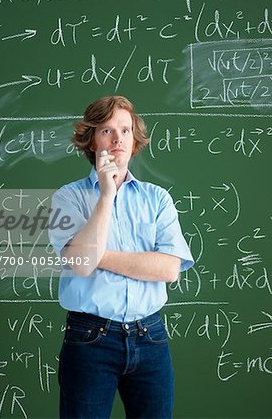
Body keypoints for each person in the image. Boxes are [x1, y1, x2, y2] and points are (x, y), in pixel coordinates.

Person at [49, 95, 194, 419]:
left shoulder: (157, 199)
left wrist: (97, 254)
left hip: (150, 338)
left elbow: (169, 268)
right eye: (107, 131)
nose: (118, 140)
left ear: (134, 139)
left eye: (126, 131)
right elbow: (82, 265)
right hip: (89, 339)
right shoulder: (68, 198)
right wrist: (106, 195)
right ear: (90, 139)